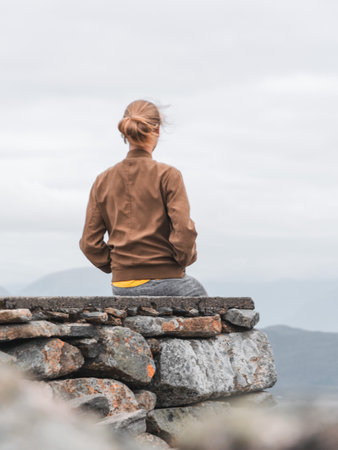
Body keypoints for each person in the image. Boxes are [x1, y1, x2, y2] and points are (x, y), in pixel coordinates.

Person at [79, 99, 207, 297]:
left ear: (125, 133)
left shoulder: (102, 180)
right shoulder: (168, 175)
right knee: (211, 313)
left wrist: (116, 266)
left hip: (121, 286)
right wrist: (181, 262)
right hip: (166, 280)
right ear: (156, 130)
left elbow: (89, 243)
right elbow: (184, 231)